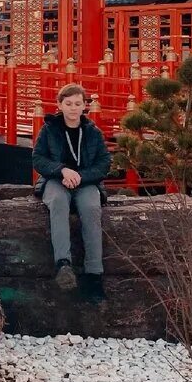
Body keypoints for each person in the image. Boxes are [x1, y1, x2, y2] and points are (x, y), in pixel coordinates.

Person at [32, 83, 111, 294]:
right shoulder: (49, 129)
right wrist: (62, 171)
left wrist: (80, 176)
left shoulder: (93, 132)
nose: (73, 108)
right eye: (68, 104)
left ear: (85, 106)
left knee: (92, 207)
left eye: (78, 104)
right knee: (58, 202)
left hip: (86, 182)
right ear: (60, 105)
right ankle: (63, 264)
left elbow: (104, 163)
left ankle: (94, 272)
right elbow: (38, 159)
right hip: (56, 180)